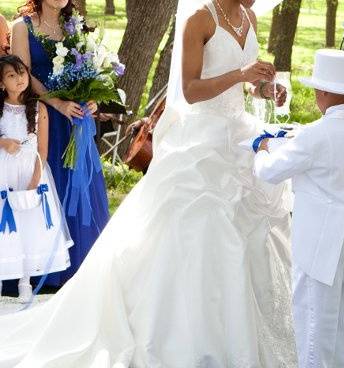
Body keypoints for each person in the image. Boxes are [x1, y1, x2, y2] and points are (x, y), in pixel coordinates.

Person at [0, 0, 297, 366]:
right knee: (199, 223)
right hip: (202, 142)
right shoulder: (200, 19)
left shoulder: (250, 18)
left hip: (239, 137)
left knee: (248, 230)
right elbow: (190, 90)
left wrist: (263, 90)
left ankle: (238, 330)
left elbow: (244, 83)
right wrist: (241, 75)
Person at [253, 49, 344, 368]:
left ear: (323, 91)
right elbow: (328, 151)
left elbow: (270, 171)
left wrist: (262, 148)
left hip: (320, 233)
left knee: (314, 315)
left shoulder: (316, 136)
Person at [9, 0, 108, 288]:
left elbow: (89, 69)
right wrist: (58, 103)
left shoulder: (75, 26)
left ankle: (82, 265)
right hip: (43, 119)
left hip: (75, 119)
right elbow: (24, 78)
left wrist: (90, 98)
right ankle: (45, 271)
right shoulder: (22, 27)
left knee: (81, 189)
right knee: (46, 185)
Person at [0, 55, 72, 302]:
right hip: (3, 173)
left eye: (22, 73)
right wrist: (3, 142)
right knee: (5, 226)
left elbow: (43, 150)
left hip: (31, 171)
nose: (19, 79)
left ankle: (25, 281)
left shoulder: (39, 108)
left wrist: (35, 180)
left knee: (29, 224)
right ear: (1, 83)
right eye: (11, 75)